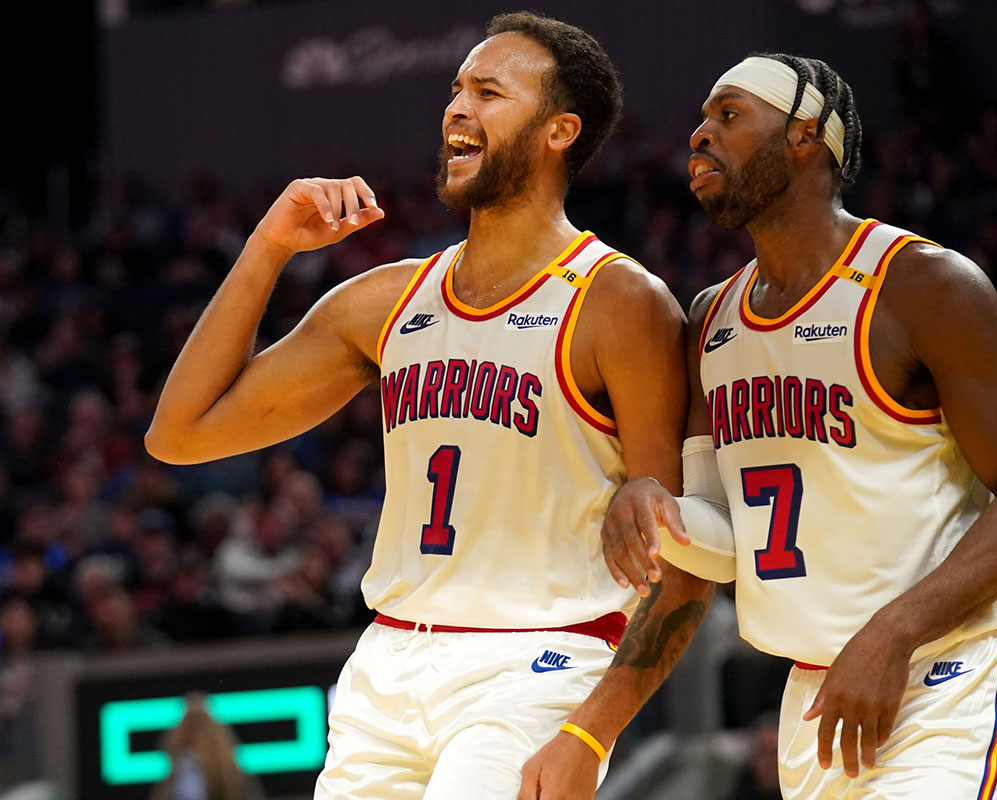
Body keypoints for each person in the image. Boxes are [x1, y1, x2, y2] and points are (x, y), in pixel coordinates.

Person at [145, 12, 710, 799]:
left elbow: (684, 558)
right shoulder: (387, 299)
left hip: (536, 662)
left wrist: (593, 728)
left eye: (488, 91)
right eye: (454, 90)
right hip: (386, 665)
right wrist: (269, 244)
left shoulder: (620, 302)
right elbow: (181, 433)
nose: (456, 107)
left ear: (559, 131)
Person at [578, 54, 997, 799]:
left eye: (729, 115)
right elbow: (719, 538)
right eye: (704, 118)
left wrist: (895, 631)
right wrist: (656, 508)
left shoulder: (921, 284)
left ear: (807, 136)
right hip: (814, 696)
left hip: (944, 673)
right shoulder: (711, 318)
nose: (699, 134)